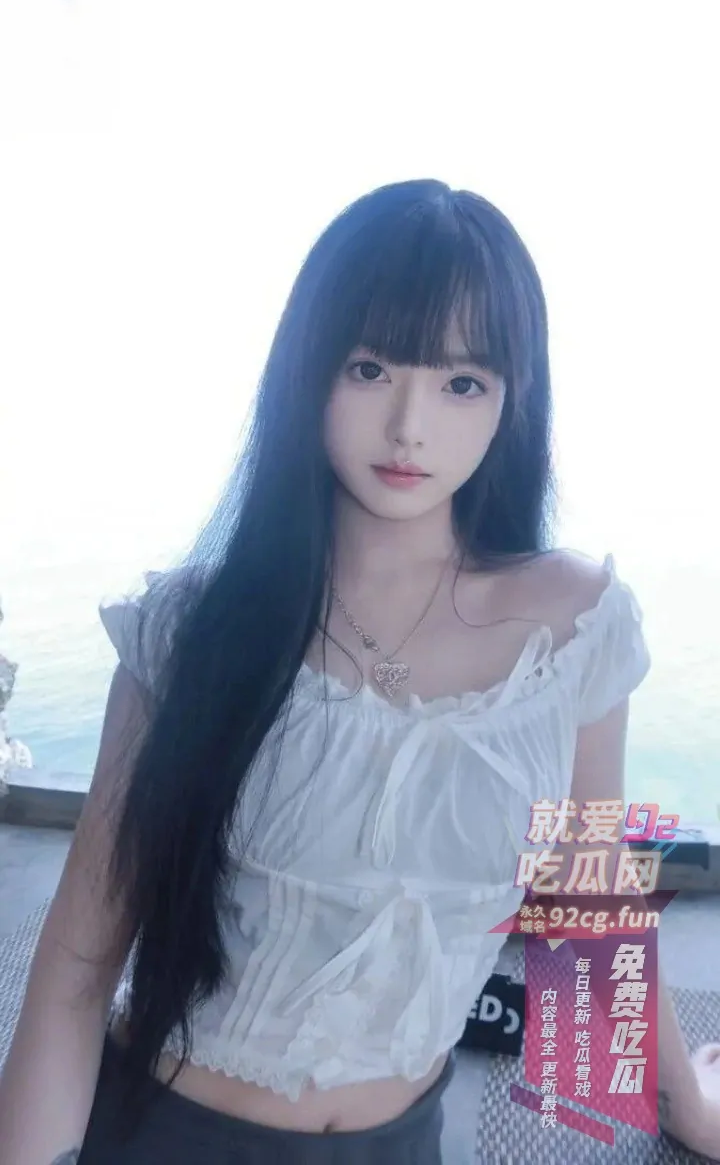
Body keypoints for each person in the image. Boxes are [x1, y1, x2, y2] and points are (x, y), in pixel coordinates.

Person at [1, 179, 719, 1165]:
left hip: (401, 1138)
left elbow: (591, 907)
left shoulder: (574, 629)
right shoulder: (193, 628)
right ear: (309, 371)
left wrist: (685, 1103)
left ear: (512, 398)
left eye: (462, 382)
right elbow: (77, 969)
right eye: (371, 368)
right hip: (165, 1128)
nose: (410, 426)